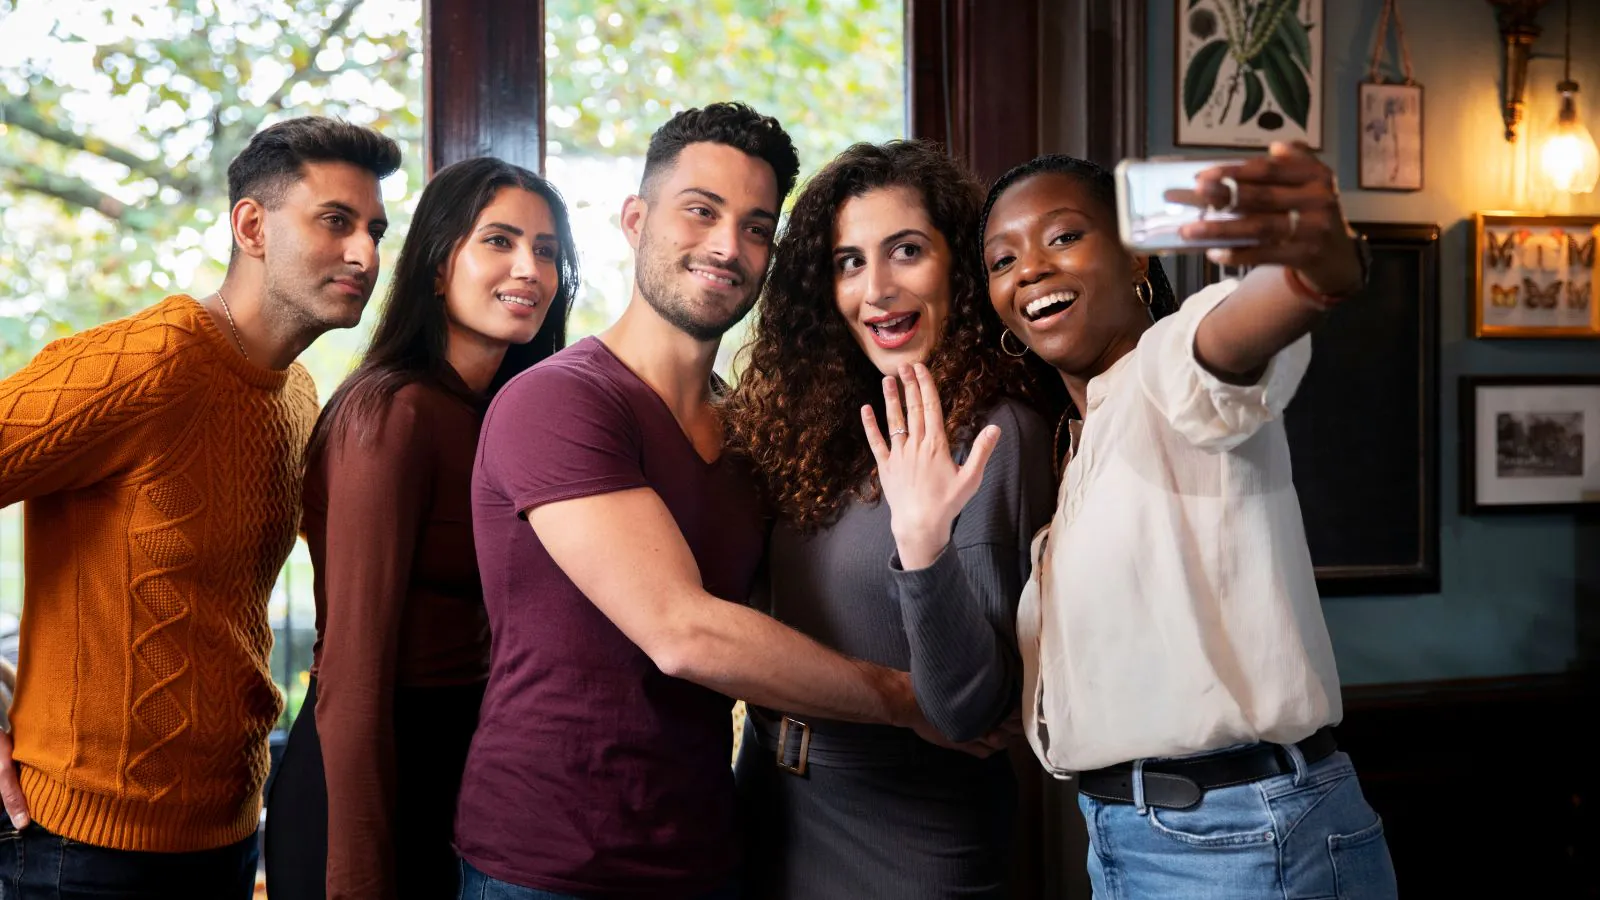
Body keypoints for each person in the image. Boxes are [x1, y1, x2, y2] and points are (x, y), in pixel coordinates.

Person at [455, 103, 956, 900]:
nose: (728, 245)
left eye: (758, 227)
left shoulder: (752, 435)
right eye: (701, 211)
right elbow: (681, 633)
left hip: (709, 851)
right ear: (635, 219)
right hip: (550, 865)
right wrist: (907, 701)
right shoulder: (555, 403)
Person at [974, 146, 1398, 898]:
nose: (1030, 268)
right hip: (1128, 835)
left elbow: (1235, 331)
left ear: (1139, 259)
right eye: (1003, 259)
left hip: (1239, 839)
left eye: (1064, 236)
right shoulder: (1072, 442)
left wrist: (1313, 262)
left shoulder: (1165, 367)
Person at [0, 116, 399, 899]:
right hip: (78, 852)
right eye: (336, 222)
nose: (366, 255)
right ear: (252, 225)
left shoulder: (298, 394)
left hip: (226, 834)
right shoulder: (149, 363)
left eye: (376, 230)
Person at [722, 139, 1055, 898]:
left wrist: (923, 543)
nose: (875, 288)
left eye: (906, 251)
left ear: (958, 266)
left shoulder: (996, 434)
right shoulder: (823, 423)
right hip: (765, 802)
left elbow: (969, 710)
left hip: (906, 835)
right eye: (848, 262)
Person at [262, 158, 579, 900]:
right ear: (438, 267)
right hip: (366, 785)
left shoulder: (507, 416)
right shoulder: (392, 415)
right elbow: (354, 670)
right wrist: (359, 873)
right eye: (499, 241)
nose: (528, 268)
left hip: (465, 777)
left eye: (546, 250)